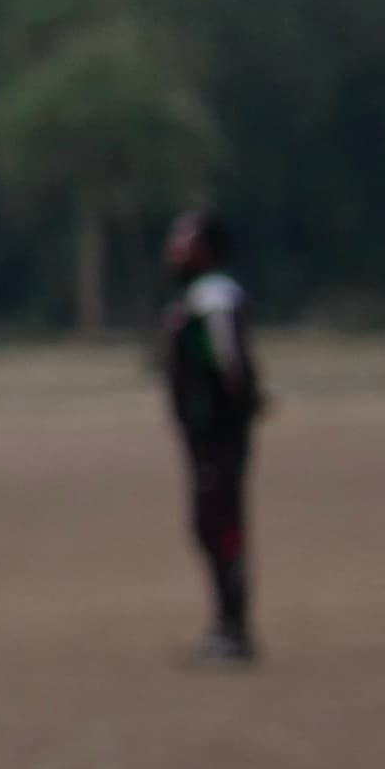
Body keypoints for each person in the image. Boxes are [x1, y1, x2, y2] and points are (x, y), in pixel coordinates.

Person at [162, 206, 265, 663]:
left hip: (217, 435)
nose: (173, 249)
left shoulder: (214, 298)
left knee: (220, 523)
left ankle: (233, 629)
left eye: (183, 239)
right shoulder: (195, 299)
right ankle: (225, 624)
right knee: (208, 524)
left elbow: (231, 363)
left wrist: (233, 412)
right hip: (205, 435)